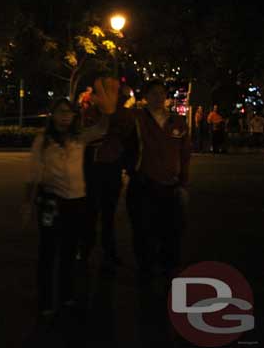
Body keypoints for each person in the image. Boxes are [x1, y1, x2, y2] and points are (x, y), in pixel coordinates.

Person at [20, 78, 118, 326]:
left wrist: (108, 111)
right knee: (47, 253)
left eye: (69, 113)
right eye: (60, 112)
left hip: (76, 202)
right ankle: (45, 302)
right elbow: (32, 174)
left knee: (68, 252)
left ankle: (65, 297)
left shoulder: (79, 138)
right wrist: (26, 205)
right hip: (51, 202)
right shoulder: (43, 140)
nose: (65, 117)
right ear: (52, 115)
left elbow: (102, 129)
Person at [125, 79, 190, 283]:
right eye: (153, 93)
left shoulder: (177, 122)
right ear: (145, 97)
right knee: (143, 230)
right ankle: (146, 268)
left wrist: (183, 183)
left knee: (171, 231)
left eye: (162, 93)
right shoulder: (136, 119)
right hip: (144, 183)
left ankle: (169, 267)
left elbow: (185, 154)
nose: (158, 97)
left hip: (170, 185)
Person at [82, 85, 135, 270]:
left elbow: (129, 140)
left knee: (108, 214)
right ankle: (86, 250)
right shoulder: (89, 113)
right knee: (90, 213)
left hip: (112, 167)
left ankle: (107, 252)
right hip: (91, 169)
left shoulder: (124, 115)